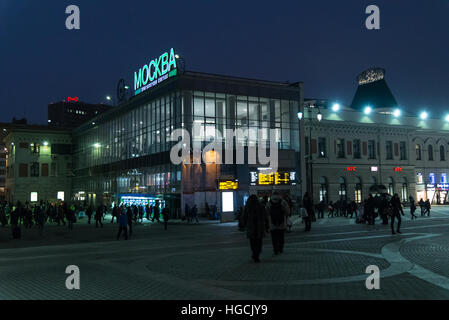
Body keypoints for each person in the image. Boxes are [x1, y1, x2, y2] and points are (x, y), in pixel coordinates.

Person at [241, 195, 269, 263]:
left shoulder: (247, 207)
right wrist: (267, 225)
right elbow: (266, 216)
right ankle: (257, 254)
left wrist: (243, 225)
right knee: (259, 241)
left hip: (251, 227)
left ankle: (254, 253)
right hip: (260, 226)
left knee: (252, 242)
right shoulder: (261, 206)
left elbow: (244, 217)